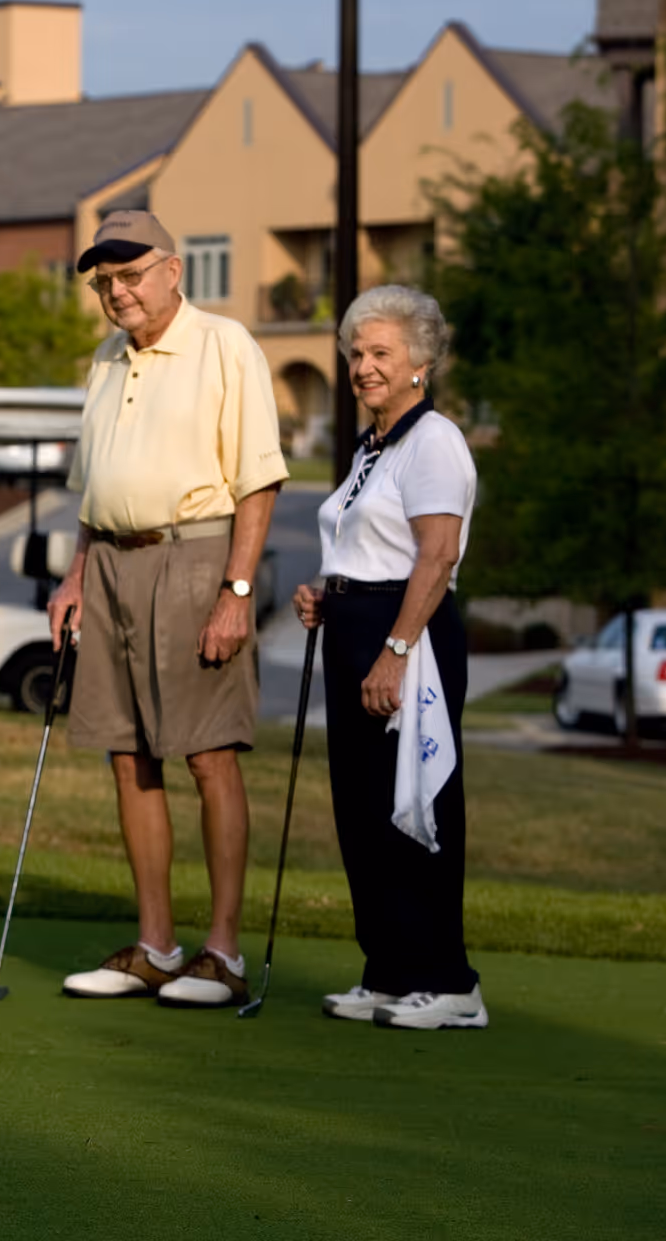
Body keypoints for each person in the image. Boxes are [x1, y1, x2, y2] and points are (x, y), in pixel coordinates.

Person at [50, 210, 289, 1008]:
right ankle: (156, 945)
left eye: (130, 275)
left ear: (173, 270)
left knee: (208, 752)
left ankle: (222, 952)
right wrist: (75, 573)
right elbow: (96, 484)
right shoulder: (105, 360)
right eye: (104, 281)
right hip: (111, 562)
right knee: (127, 753)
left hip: (196, 557)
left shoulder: (225, 344)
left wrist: (238, 591)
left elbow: (258, 479)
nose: (118, 293)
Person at [292, 285, 485, 1030]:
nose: (363, 366)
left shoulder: (435, 440)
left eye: (380, 353)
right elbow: (365, 544)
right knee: (363, 808)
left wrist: (395, 651)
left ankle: (448, 983)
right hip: (356, 623)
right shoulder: (374, 444)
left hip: (409, 633)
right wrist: (322, 592)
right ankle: (390, 969)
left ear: (421, 363)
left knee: (418, 805)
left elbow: (435, 559)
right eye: (355, 353)